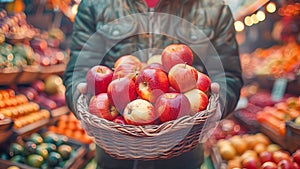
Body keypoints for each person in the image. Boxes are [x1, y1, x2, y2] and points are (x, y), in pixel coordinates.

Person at [63, 0, 243, 168]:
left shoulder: (213, 8)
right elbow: (78, 73)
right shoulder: (95, 4)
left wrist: (219, 105)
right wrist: (81, 101)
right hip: (115, 156)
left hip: (183, 155)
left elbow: (228, 75)